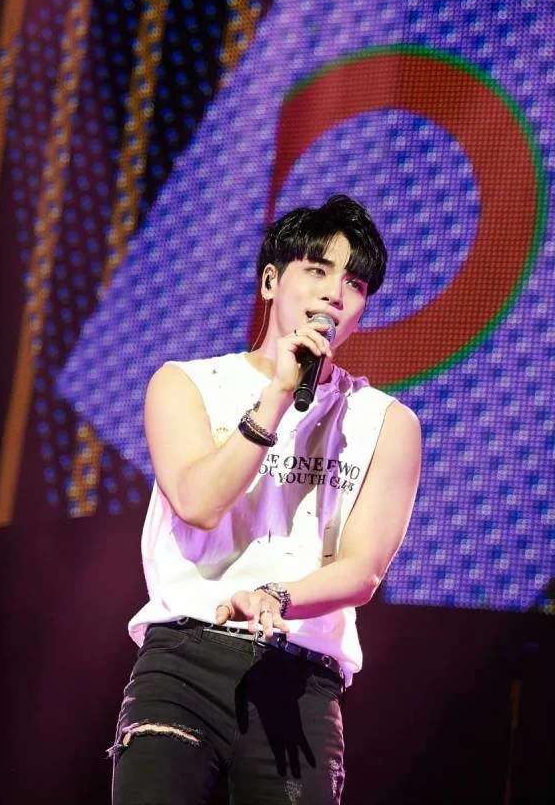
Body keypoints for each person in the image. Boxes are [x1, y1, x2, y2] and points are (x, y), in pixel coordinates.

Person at [109, 194, 422, 805]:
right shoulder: (187, 384)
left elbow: (363, 570)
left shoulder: (387, 422)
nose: (335, 293)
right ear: (271, 281)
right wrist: (278, 395)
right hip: (183, 660)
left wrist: (278, 596)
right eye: (318, 270)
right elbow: (198, 502)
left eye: (355, 283)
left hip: (300, 678)